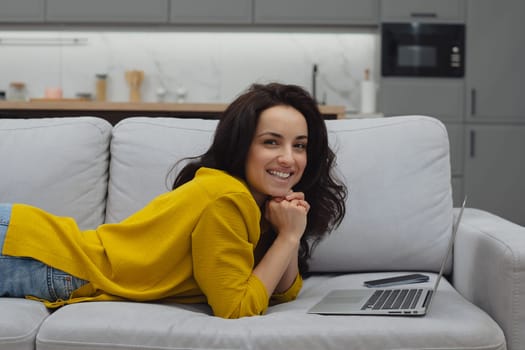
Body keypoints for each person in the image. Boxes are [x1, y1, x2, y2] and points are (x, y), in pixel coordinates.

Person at [0, 82, 346, 319]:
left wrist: (285, 230)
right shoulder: (228, 198)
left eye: (299, 145)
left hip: (38, 251)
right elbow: (237, 309)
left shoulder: (253, 203)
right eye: (271, 142)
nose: (289, 158)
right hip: (36, 256)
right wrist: (288, 237)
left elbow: (283, 293)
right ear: (241, 145)